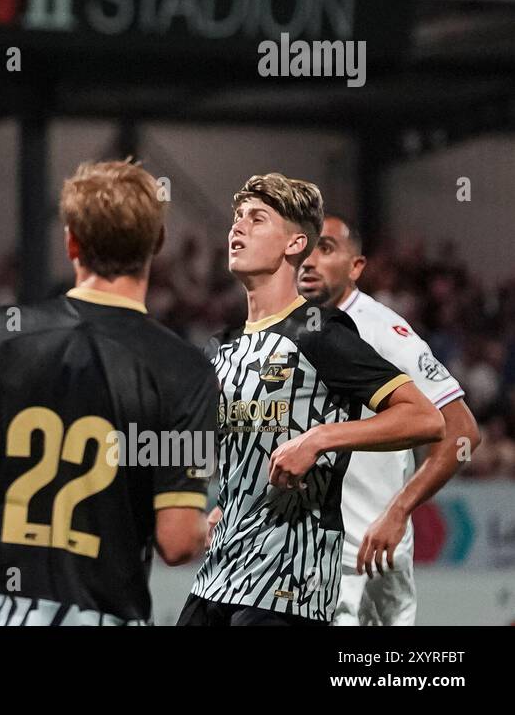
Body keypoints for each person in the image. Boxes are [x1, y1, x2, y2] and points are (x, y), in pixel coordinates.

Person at [0, 160, 217, 625]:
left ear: (71, 241)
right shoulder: (184, 369)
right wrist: (205, 532)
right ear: (157, 242)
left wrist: (18, 497)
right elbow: (177, 543)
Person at [181, 174, 445, 626]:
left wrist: (319, 439)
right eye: (237, 218)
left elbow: (425, 419)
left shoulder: (319, 333)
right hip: (218, 575)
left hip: (288, 587)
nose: (236, 229)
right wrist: (228, 500)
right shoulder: (222, 347)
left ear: (294, 243)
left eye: (257, 219)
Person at [298, 212, 479, 625]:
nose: (309, 260)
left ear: (356, 266)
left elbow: (463, 431)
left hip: (365, 559)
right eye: (304, 248)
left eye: (325, 249)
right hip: (303, 555)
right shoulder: (288, 329)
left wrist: (399, 510)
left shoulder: (382, 331)